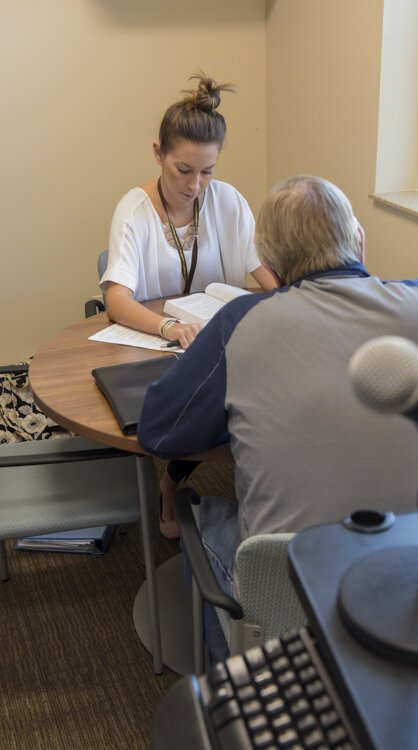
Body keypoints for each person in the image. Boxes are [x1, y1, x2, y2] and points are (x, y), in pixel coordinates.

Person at [138, 175, 418, 660]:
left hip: (292, 596)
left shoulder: (242, 321)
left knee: (200, 513)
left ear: (268, 265)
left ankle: (235, 700)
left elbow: (159, 429)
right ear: (359, 239)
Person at [100, 73, 276, 537]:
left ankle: (176, 477)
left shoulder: (229, 202)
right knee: (204, 404)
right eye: (183, 170)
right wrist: (168, 329)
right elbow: (116, 297)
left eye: (208, 171)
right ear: (158, 153)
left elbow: (264, 273)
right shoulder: (134, 210)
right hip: (155, 344)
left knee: (258, 395)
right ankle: (171, 481)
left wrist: (302, 297)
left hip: (214, 341)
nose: (196, 184)